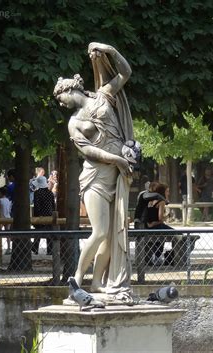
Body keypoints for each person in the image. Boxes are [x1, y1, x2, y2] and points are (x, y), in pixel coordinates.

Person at [54, 42, 134, 300]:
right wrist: (116, 159)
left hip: (115, 174)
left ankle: (98, 283)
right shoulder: (74, 122)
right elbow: (88, 151)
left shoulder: (103, 95)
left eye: (60, 97)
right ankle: (76, 281)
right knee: (99, 231)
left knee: (112, 235)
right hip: (96, 177)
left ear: (69, 88)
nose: (61, 104)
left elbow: (125, 73)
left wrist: (110, 49)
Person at [145, 183, 174, 265]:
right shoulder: (161, 202)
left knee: (160, 237)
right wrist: (167, 216)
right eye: (167, 191)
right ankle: (161, 257)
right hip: (157, 226)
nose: (168, 193)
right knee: (177, 235)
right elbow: (160, 219)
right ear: (162, 192)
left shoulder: (150, 201)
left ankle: (156, 256)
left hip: (149, 226)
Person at [31, 176, 56, 255]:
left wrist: (35, 217)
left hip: (40, 215)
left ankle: (35, 248)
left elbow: (37, 206)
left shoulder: (37, 193)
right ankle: (50, 250)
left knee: (38, 233)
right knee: (49, 234)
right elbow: (53, 205)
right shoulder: (50, 193)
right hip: (49, 215)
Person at [0, 186, 12, 254]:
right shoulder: (8, 200)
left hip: (2, 218)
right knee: (7, 234)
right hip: (8, 218)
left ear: (0, 193)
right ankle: (9, 248)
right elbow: (9, 210)